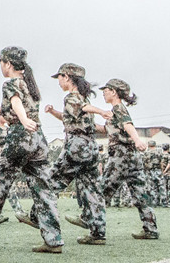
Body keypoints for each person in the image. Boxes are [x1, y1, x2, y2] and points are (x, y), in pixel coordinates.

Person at [0, 46, 64, 253]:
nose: (1, 67)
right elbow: (19, 106)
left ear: (7, 64)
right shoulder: (29, 84)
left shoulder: (11, 83)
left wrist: (23, 120)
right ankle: (54, 240)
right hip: (38, 139)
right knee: (44, 188)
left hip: (20, 136)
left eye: (1, 63)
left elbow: (16, 103)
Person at [44, 63, 107, 245]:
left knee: (50, 182)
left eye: (60, 78)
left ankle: (37, 218)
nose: (58, 82)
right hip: (91, 147)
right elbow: (71, 117)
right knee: (93, 190)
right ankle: (98, 234)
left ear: (67, 77)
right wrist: (53, 112)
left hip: (77, 147)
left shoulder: (73, 98)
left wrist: (101, 111)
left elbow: (84, 107)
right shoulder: (80, 98)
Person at [93, 79, 158, 239]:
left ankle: (95, 232)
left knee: (102, 191)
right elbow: (104, 129)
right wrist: (88, 122)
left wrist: (137, 140)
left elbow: (128, 125)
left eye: (106, 90)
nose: (103, 93)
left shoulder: (118, 109)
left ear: (114, 92)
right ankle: (151, 229)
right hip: (132, 158)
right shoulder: (114, 112)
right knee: (140, 193)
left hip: (120, 156)